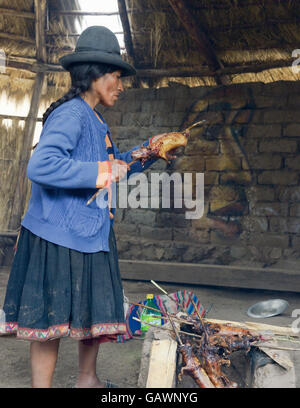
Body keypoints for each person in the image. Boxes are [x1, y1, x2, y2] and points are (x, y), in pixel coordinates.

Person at [1, 26, 164, 388]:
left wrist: (147, 152)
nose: (120, 86)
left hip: (89, 233)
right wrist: (103, 171)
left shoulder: (94, 118)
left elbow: (111, 164)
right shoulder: (72, 115)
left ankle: (87, 380)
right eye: (115, 76)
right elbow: (41, 167)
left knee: (92, 312)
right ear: (93, 75)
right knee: (49, 321)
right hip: (57, 235)